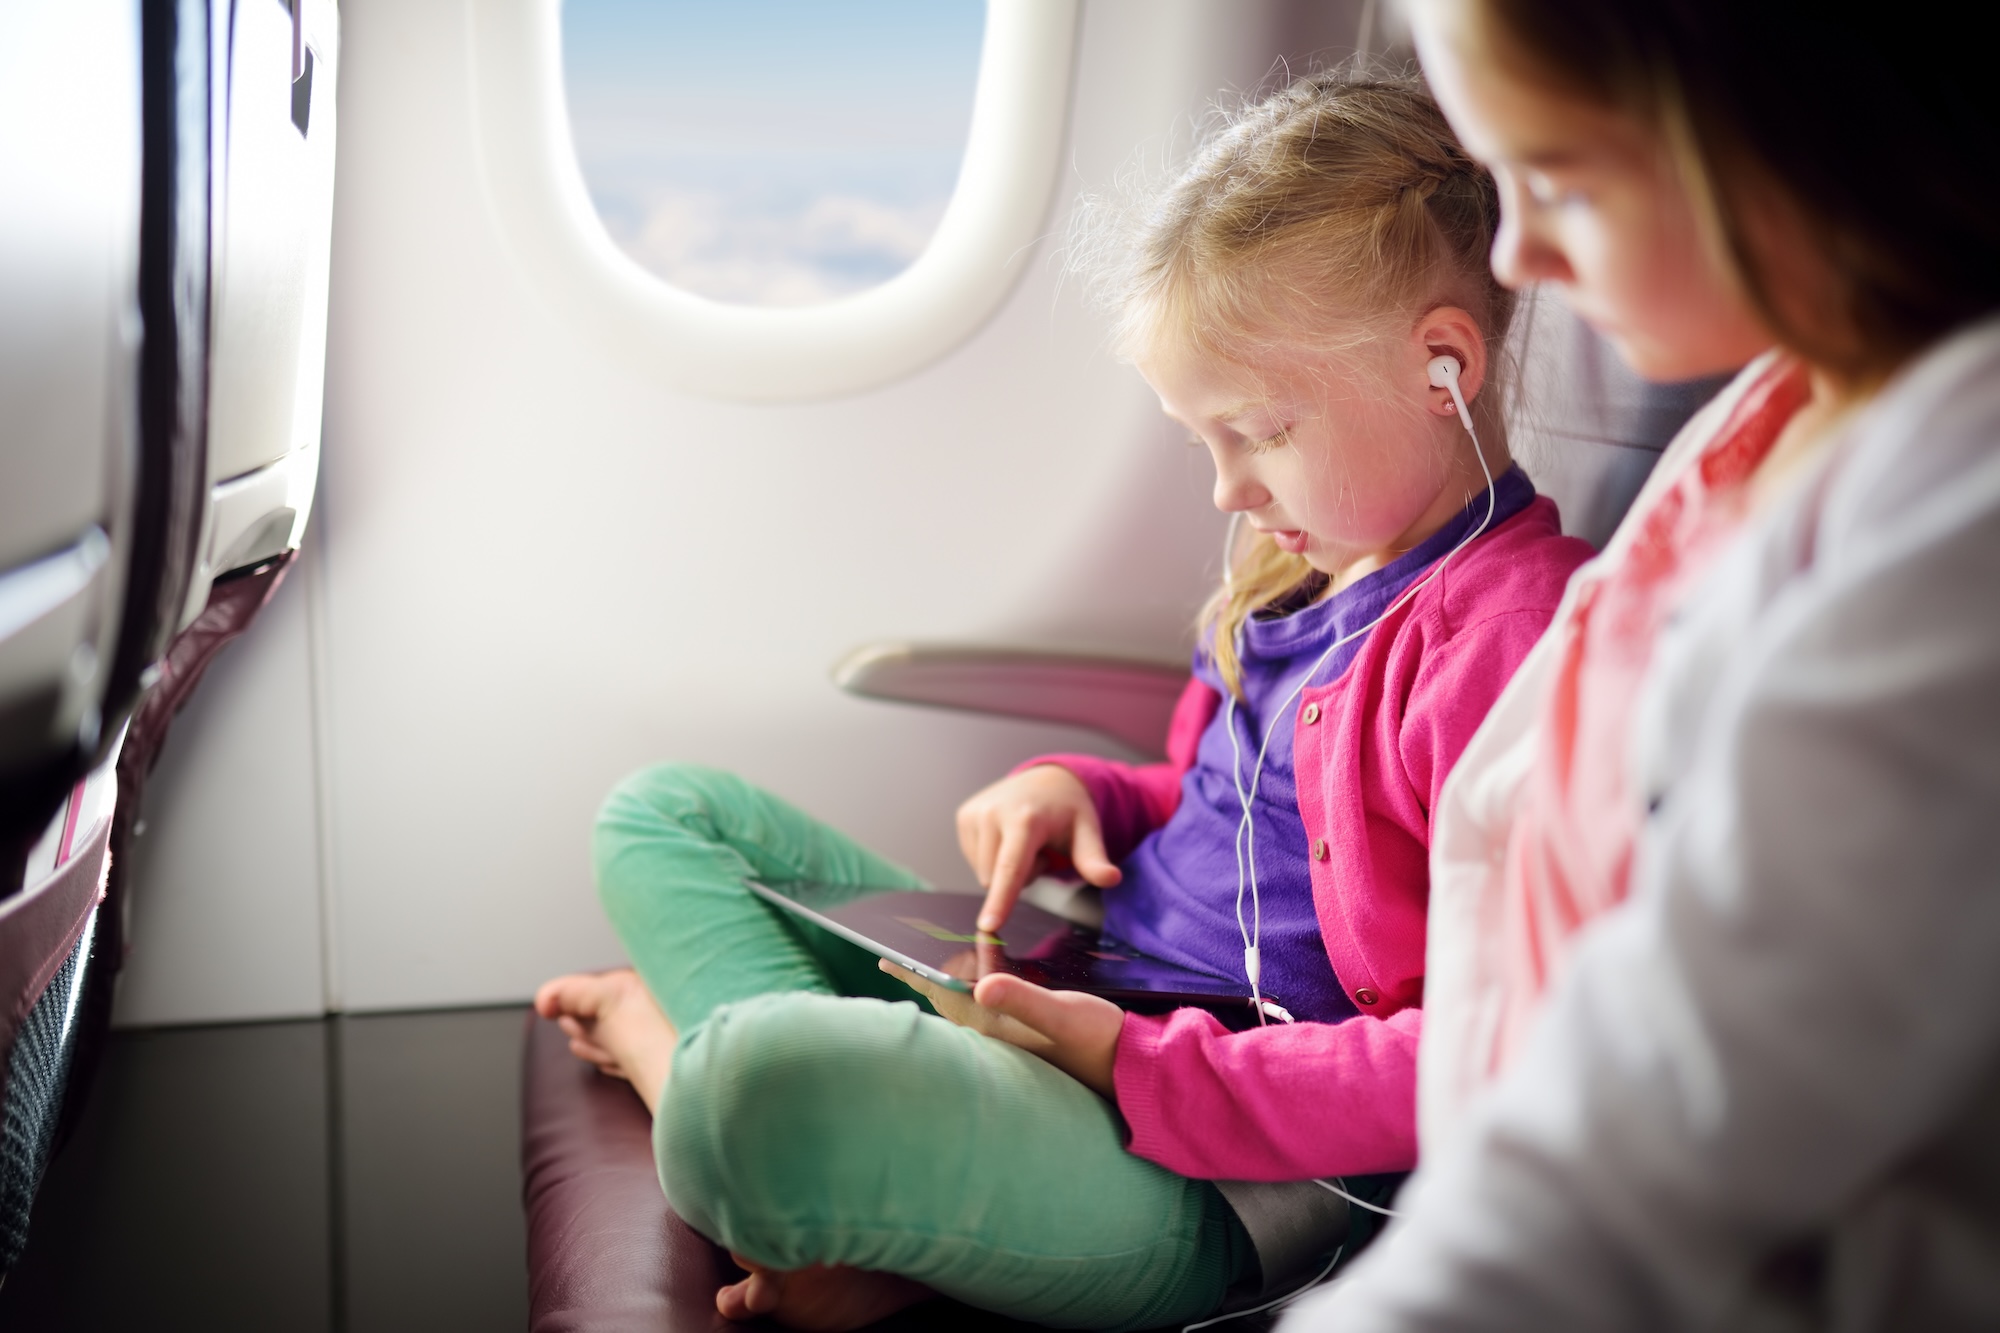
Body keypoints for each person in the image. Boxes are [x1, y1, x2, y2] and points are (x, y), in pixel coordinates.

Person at [534, 72, 1589, 1333]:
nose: (1226, 491)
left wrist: (1130, 1062)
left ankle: (684, 1060)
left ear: (1440, 365)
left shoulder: (1509, 644)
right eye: (1200, 441)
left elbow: (1483, 1043)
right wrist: (1083, 794)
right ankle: (887, 1185)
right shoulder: (1292, 577)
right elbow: (1216, 812)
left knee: (744, 1092)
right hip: (1084, 999)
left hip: (1217, 1165)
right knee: (663, 814)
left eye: (1258, 430)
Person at [1281, 3, 2000, 1330]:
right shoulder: (1783, 399)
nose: (1518, 253)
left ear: (1789, 128)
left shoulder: (1959, 512)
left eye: (1558, 181)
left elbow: (1691, 1093)